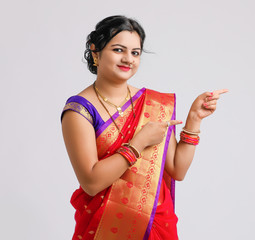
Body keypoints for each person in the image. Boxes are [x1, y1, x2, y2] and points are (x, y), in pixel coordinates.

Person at [61, 15, 227, 240]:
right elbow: (91, 183)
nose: (128, 59)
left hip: (155, 224)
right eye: (119, 50)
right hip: (104, 228)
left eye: (135, 53)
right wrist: (139, 143)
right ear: (95, 52)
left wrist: (194, 119)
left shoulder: (153, 105)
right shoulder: (79, 110)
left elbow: (177, 169)